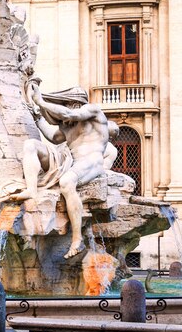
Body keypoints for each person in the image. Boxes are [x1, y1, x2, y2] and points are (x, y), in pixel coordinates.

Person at [13, 78, 111, 259]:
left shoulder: (93, 111)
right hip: (72, 163)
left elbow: (68, 114)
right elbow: (53, 136)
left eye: (65, 104)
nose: (61, 111)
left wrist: (41, 101)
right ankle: (31, 189)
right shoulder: (68, 125)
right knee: (31, 145)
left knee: (66, 182)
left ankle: (77, 239)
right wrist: (37, 116)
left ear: (75, 103)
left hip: (92, 161)